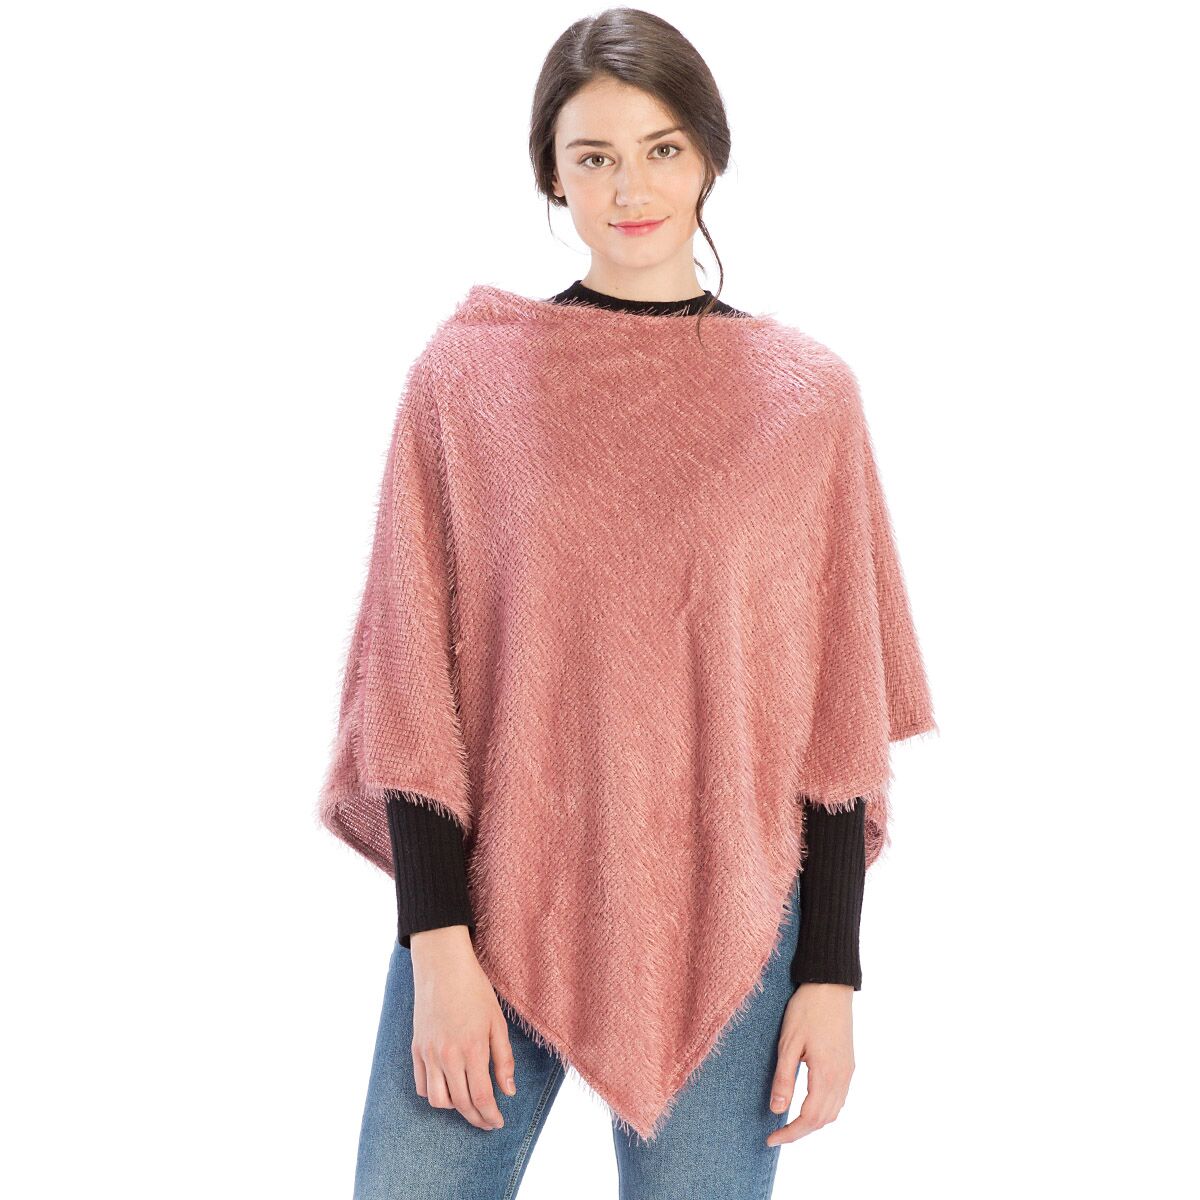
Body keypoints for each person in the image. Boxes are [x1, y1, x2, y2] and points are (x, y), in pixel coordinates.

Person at [318, 11, 935, 1199]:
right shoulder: (469, 379)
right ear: (552, 173)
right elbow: (411, 677)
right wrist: (435, 941)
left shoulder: (806, 400)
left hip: (735, 918)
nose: (630, 188)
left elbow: (836, 713)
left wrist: (831, 972)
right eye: (593, 156)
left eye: (660, 150)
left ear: (709, 157)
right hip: (493, 907)